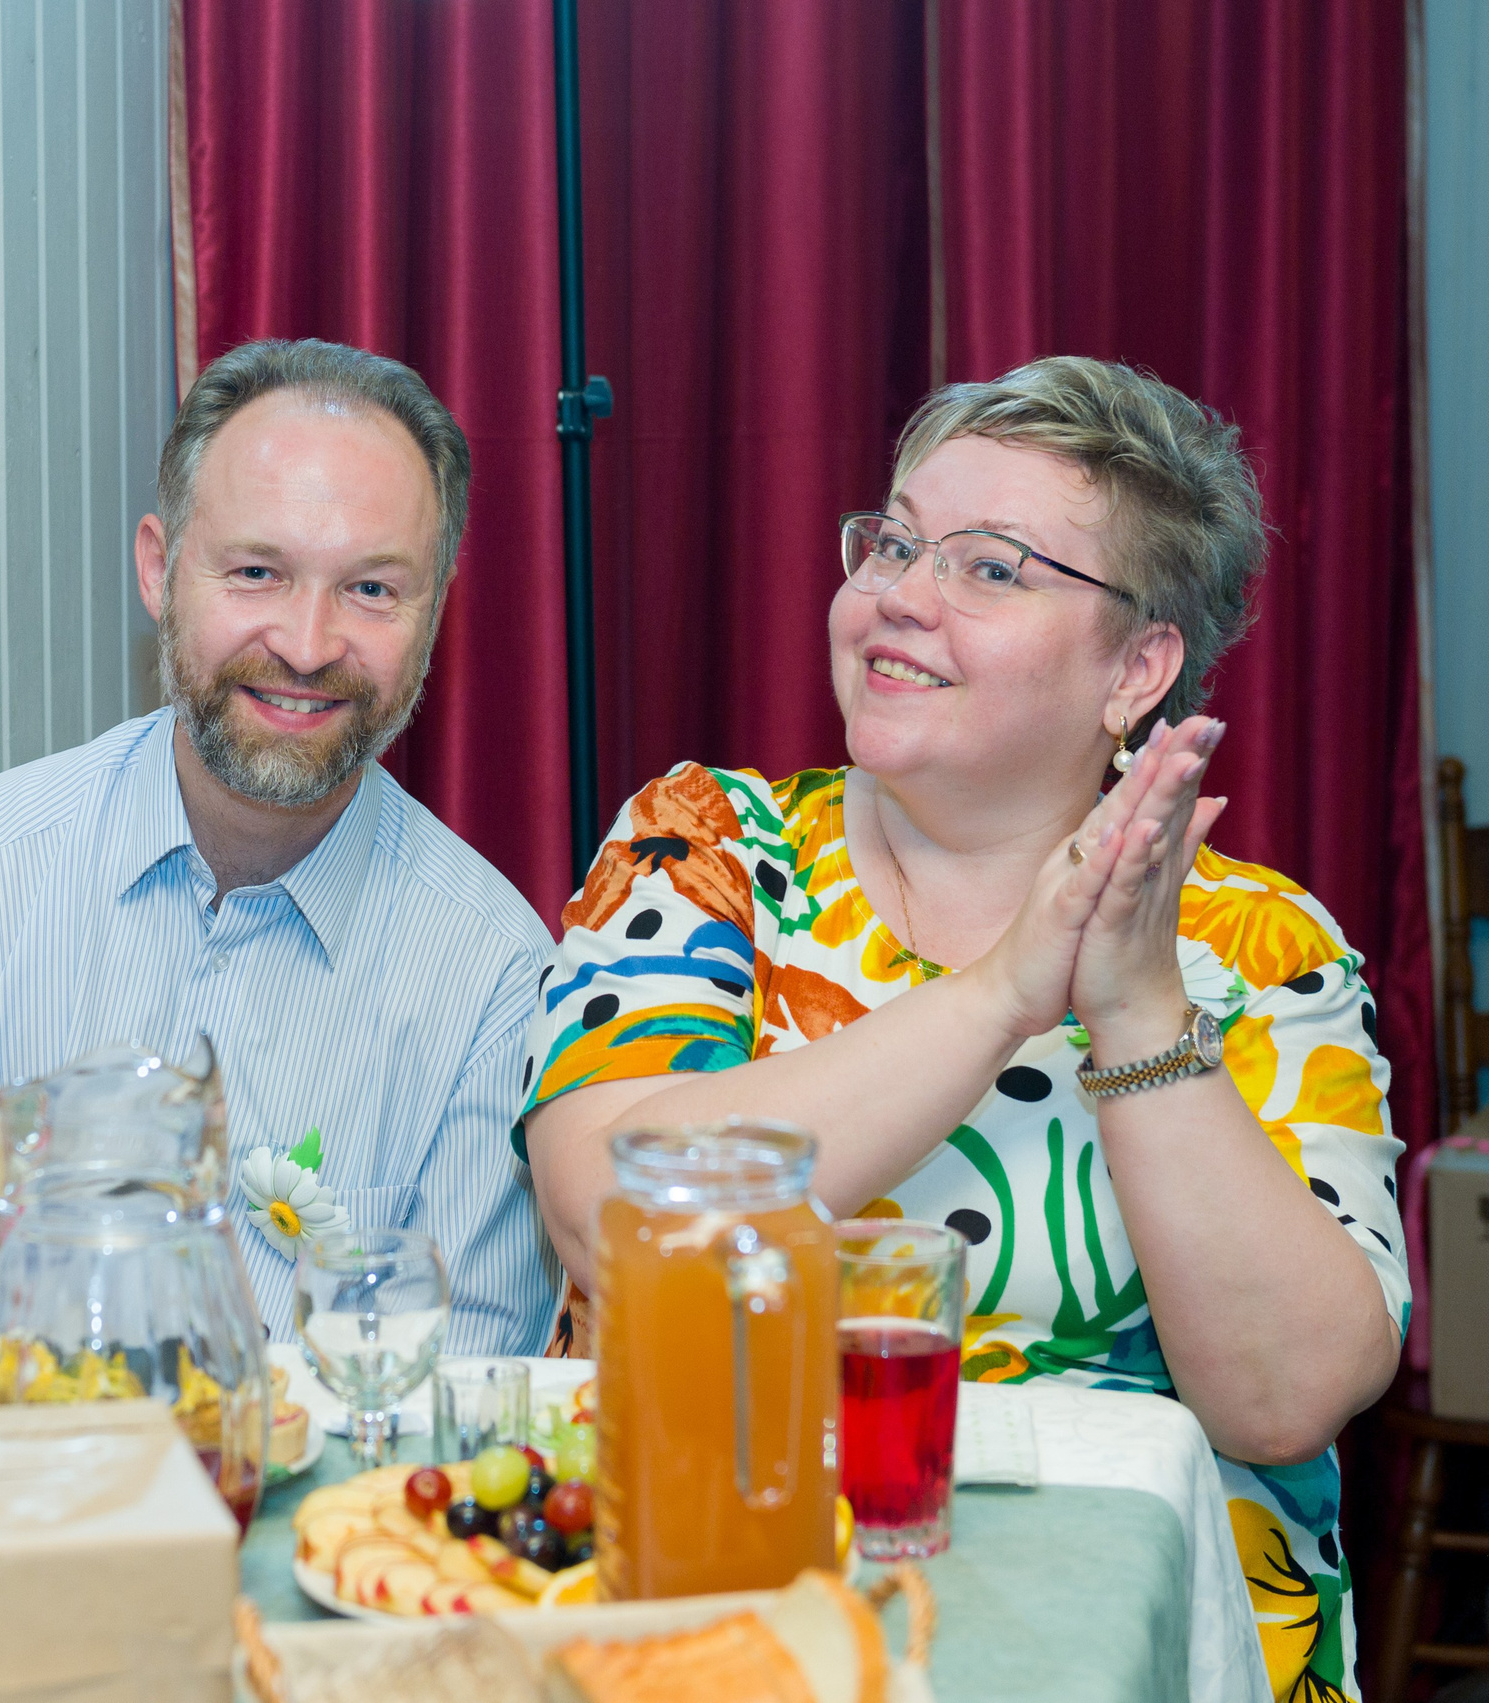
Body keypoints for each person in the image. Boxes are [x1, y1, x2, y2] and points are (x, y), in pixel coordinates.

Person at [521, 357, 1401, 1700]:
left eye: (990, 568)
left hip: (1129, 1645)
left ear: (1138, 666)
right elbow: (615, 1220)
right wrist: (1002, 992)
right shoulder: (704, 846)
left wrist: (1135, 1004)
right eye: (893, 538)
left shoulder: (1260, 948)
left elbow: (1285, 1396)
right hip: (720, 1622)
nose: (896, 596)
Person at [0, 339, 557, 1352]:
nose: (308, 642)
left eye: (371, 589)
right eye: (256, 571)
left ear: (433, 613)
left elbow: (461, 1404)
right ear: (159, 569)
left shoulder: (493, 980)